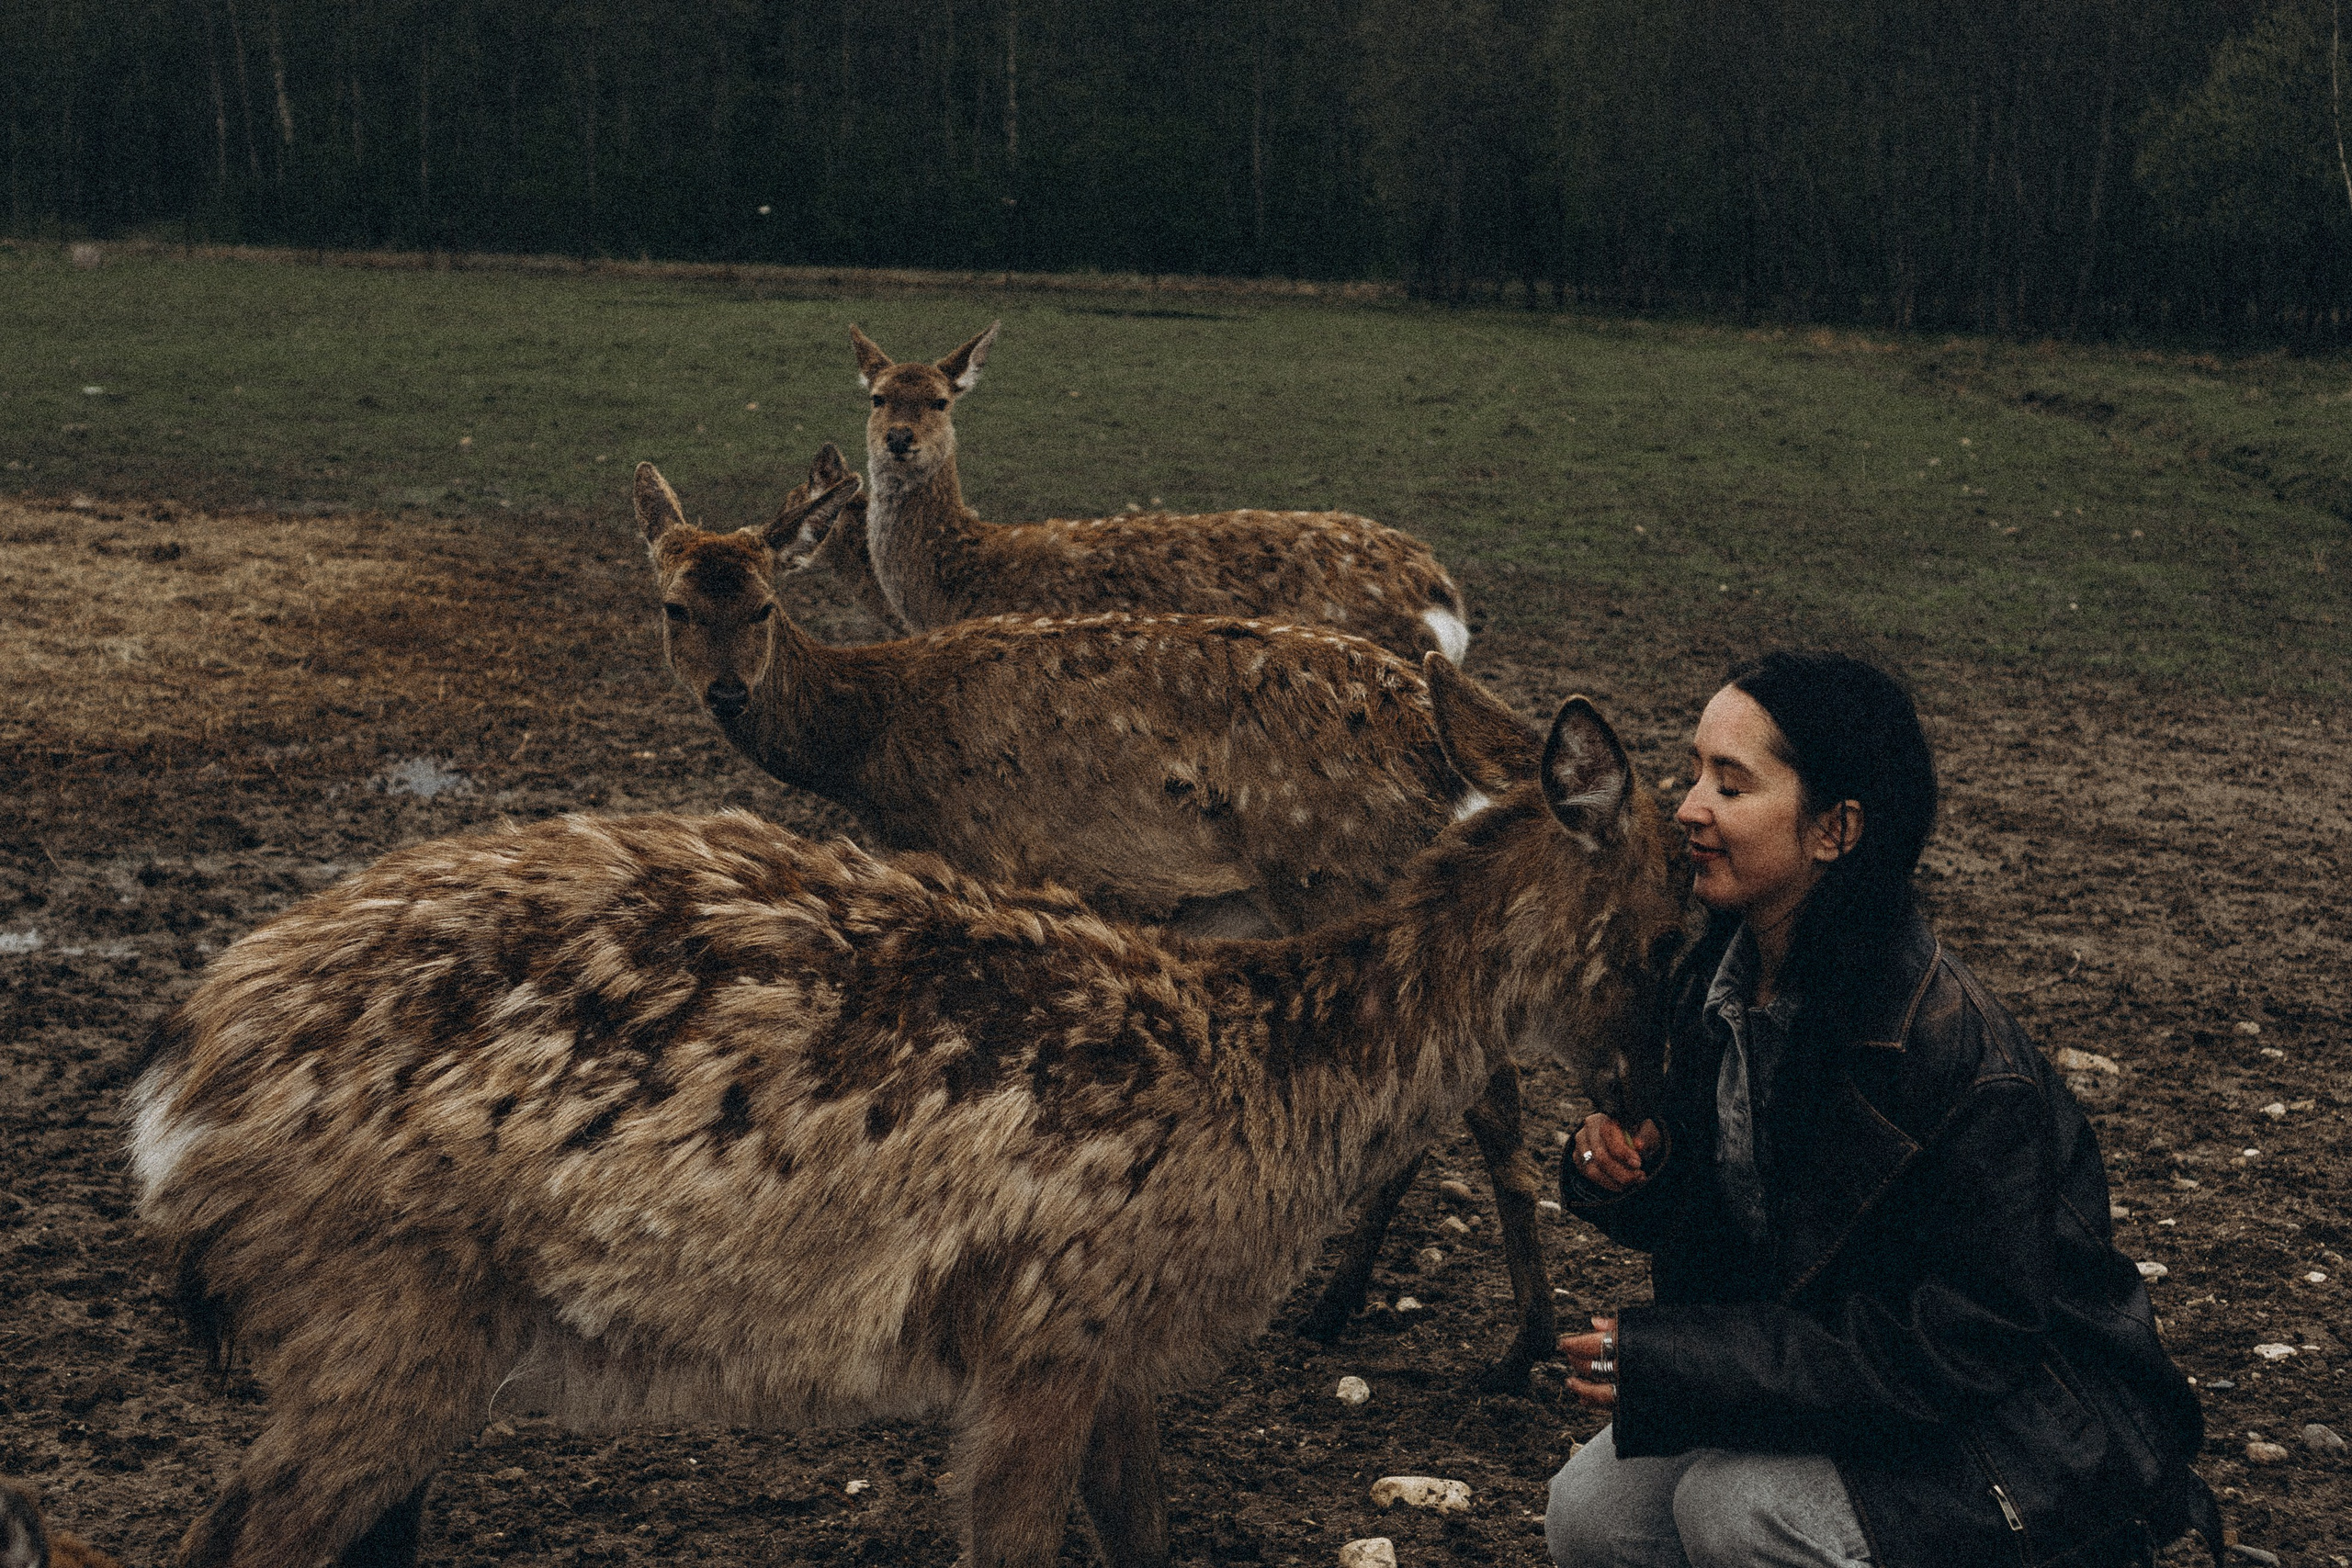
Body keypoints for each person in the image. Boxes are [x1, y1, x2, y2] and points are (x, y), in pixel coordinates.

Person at [1544, 650, 2218, 1568]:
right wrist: (1632, 1174)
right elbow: (1756, 1222)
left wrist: (1681, 1366)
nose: (1688, 808)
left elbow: (1966, 1344)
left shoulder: (1957, 1057)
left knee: (1741, 1513)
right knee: (1591, 1513)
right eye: (1693, 770)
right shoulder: (1715, 982)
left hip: (2015, 1427)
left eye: (1730, 785)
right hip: (1842, 1387)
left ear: (1835, 830)